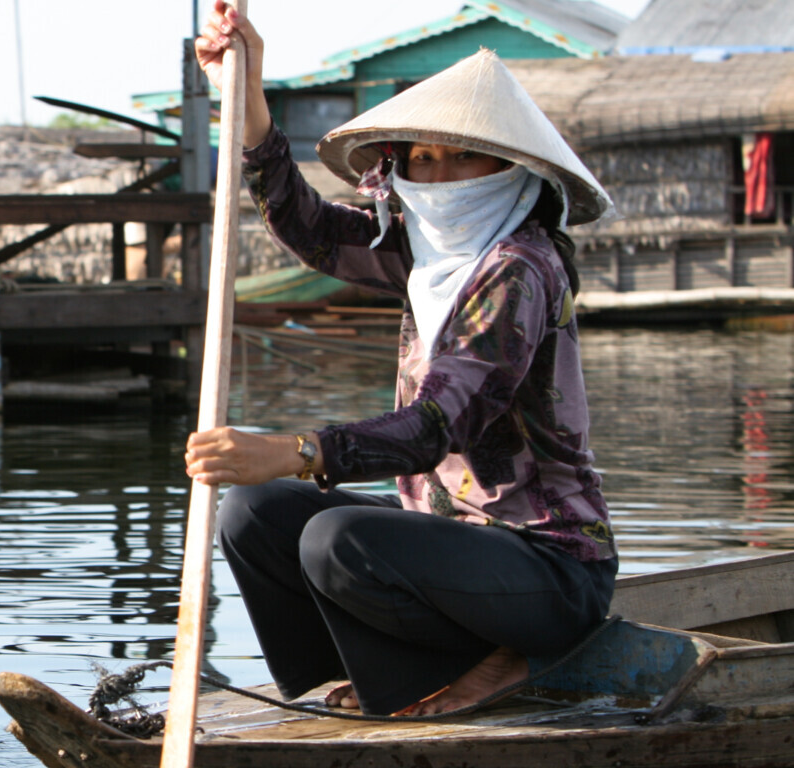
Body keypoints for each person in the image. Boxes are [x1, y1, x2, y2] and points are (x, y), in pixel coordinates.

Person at [186, 4, 618, 717]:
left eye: (464, 156)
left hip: (551, 571)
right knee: (253, 511)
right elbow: (309, 225)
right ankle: (369, 678)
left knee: (338, 537)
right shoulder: (421, 255)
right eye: (423, 157)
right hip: (454, 550)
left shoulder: (519, 267)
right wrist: (249, 89)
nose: (441, 175)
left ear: (512, 170)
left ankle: (495, 658)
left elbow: (434, 427)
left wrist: (297, 450)